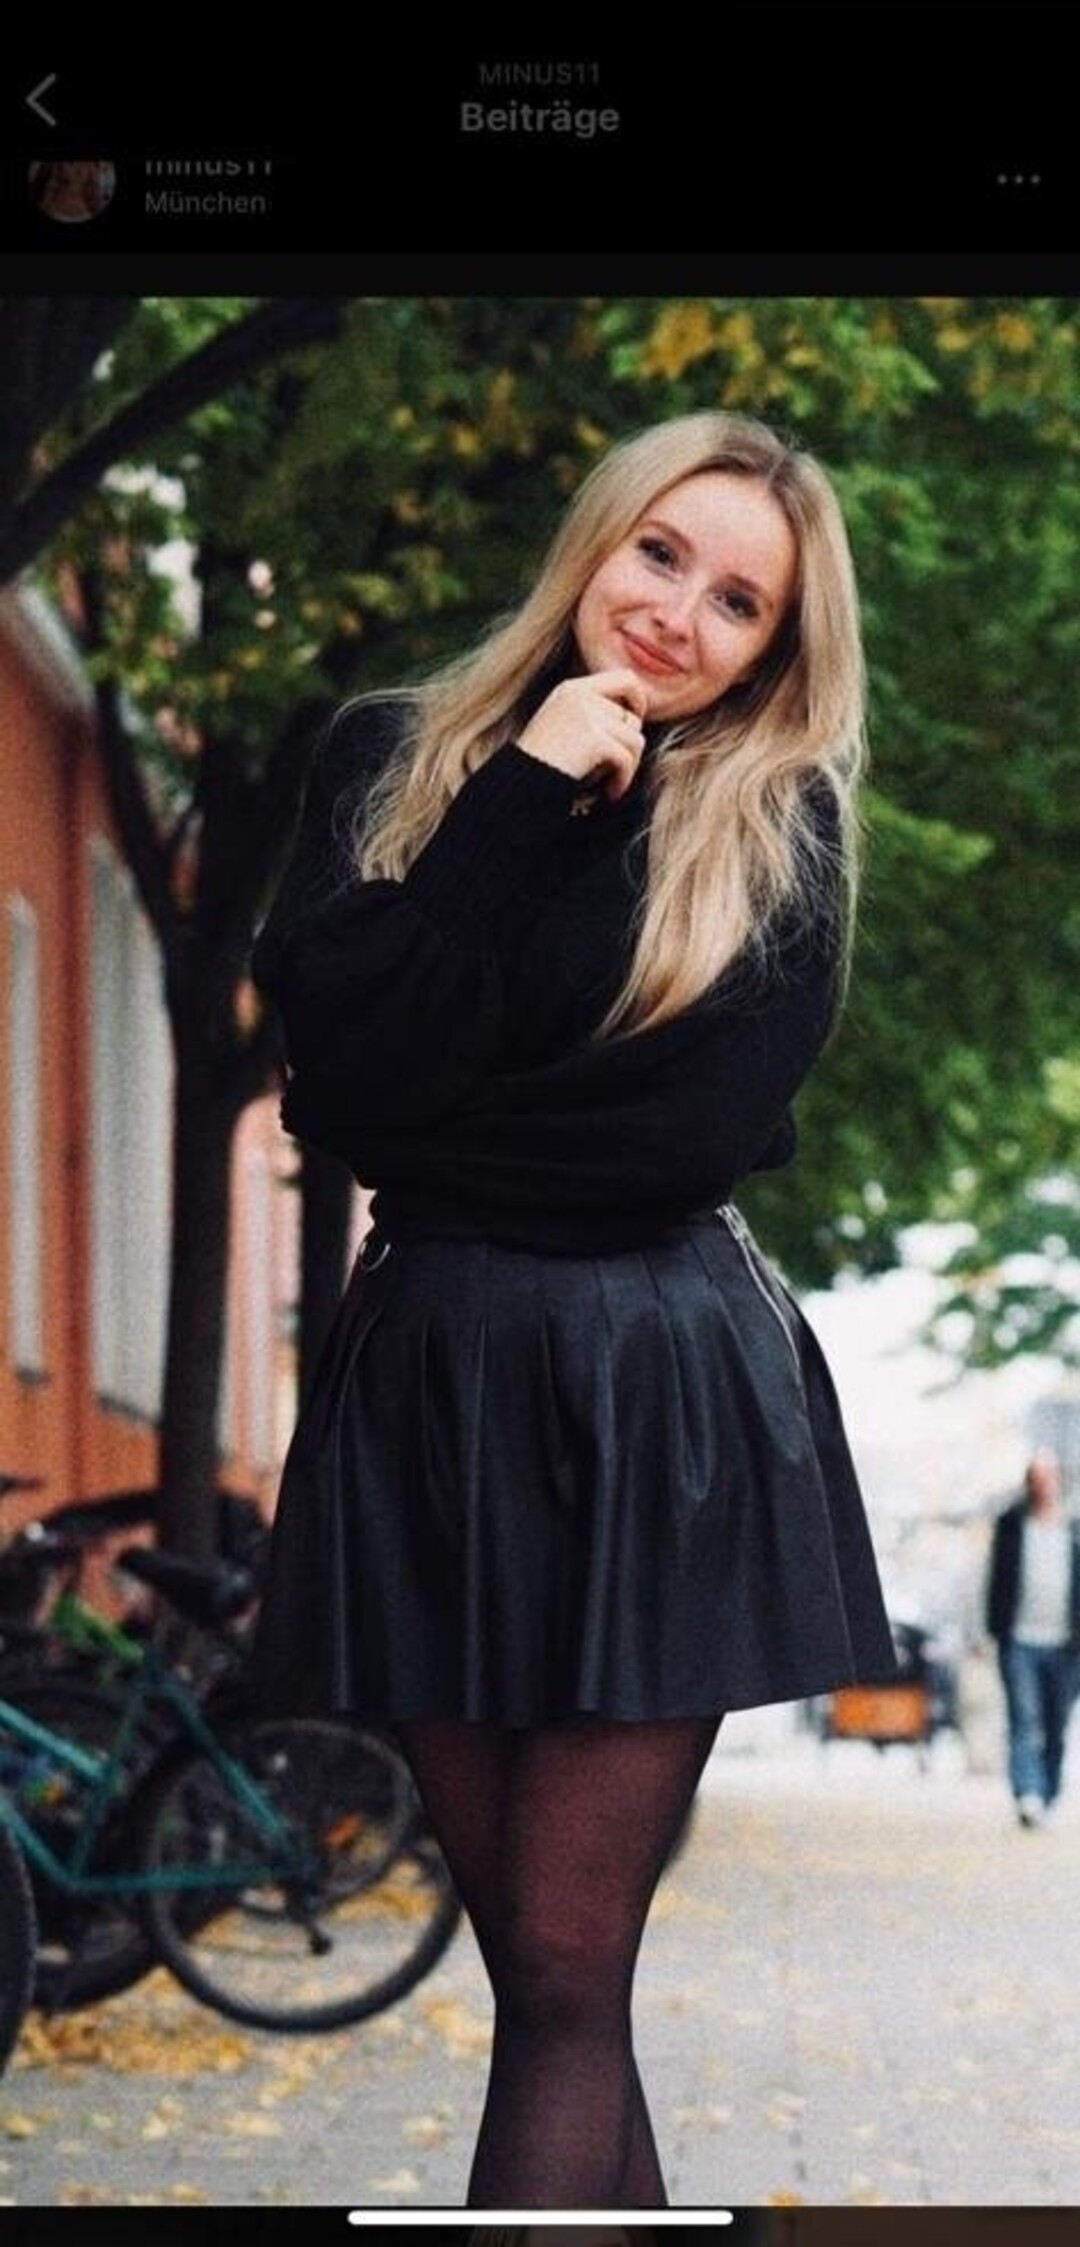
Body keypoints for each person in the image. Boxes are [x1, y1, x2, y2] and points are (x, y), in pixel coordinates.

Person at [249, 410, 898, 2209]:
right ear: (596, 541)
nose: (681, 611)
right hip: (433, 1385)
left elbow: (677, 1138)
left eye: (740, 601)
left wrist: (428, 1107)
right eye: (661, 553)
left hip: (657, 1384)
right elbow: (341, 1082)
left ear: (775, 650)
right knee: (545, 1972)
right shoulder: (390, 756)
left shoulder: (779, 820)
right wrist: (518, 802)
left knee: (559, 1956)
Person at [986, 1448, 1080, 1827]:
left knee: (1057, 1723)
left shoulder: (1074, 1527)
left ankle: (1049, 1792)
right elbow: (995, 1579)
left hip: (1067, 1644)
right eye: (1036, 1479)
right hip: (1019, 1640)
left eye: (1049, 1477)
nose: (1043, 1486)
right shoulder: (1011, 1524)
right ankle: (1027, 1793)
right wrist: (994, 1630)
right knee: (1024, 1718)